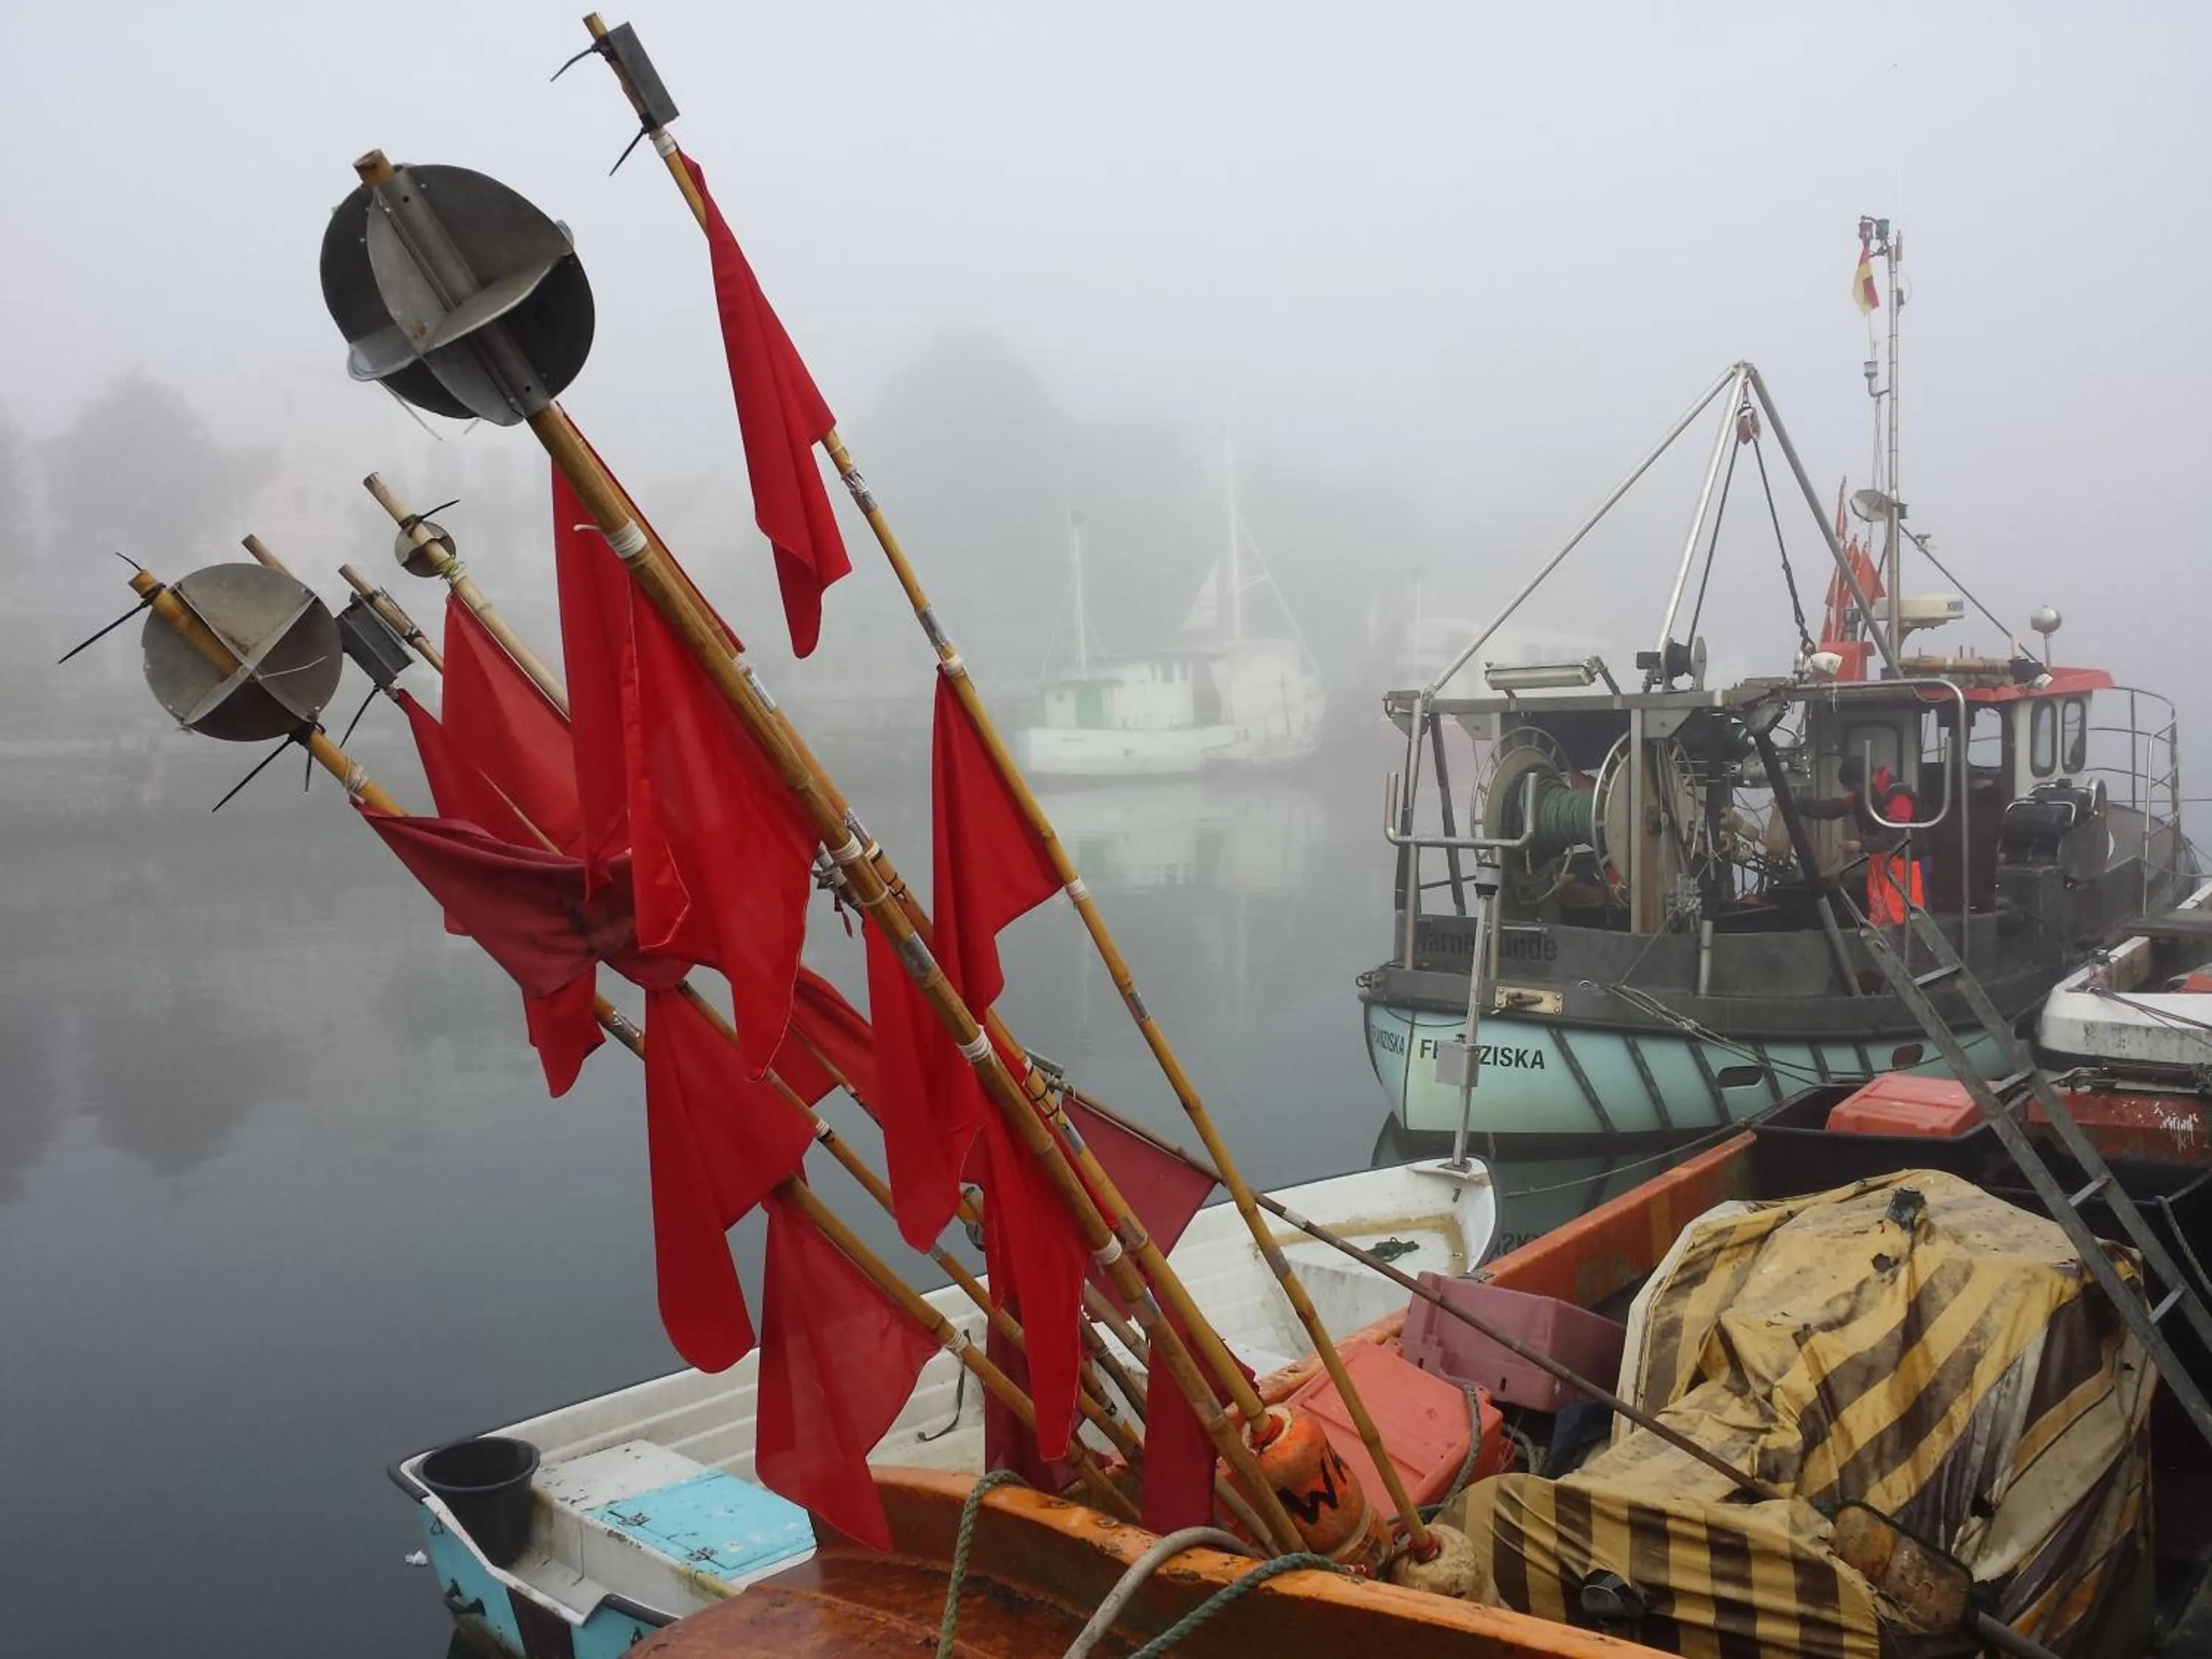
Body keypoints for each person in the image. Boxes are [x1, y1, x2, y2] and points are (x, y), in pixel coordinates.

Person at [1800, 756, 1924, 924]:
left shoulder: (1898, 796)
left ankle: (1906, 944)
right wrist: (1798, 806)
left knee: (1904, 914)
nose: (1852, 792)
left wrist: (1862, 845)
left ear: (1861, 781)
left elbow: (1897, 833)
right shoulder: (1865, 793)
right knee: (1881, 913)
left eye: (1852, 787)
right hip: (1880, 864)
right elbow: (1834, 808)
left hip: (1902, 866)